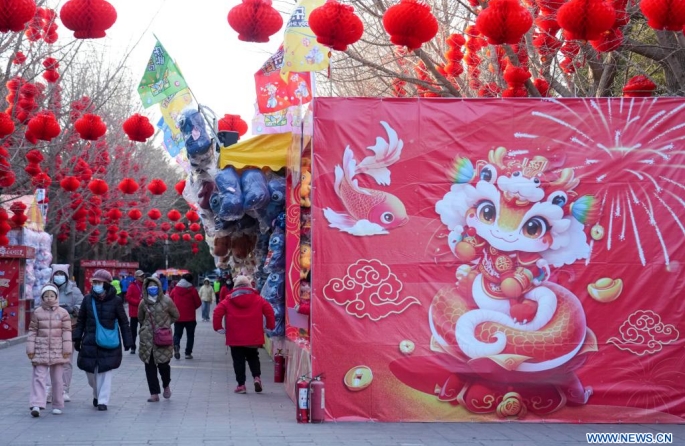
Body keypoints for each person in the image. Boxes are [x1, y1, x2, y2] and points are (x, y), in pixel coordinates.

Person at [73, 269, 133, 411]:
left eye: (99, 282)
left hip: (109, 342)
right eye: (94, 282)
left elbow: (124, 322)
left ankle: (103, 401)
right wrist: (77, 337)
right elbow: (81, 320)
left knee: (105, 371)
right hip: (90, 340)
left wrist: (128, 340)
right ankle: (96, 393)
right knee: (91, 373)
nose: (96, 285)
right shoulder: (87, 300)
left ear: (106, 284)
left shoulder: (116, 301)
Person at [213, 275, 275, 394]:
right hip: (253, 336)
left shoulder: (228, 299)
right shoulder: (258, 299)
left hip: (235, 337)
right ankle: (257, 377)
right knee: (253, 357)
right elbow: (269, 311)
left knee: (238, 360)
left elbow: (217, 312)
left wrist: (218, 327)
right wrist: (270, 326)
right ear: (249, 285)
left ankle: (241, 385)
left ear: (235, 286)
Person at [27, 284, 72, 417]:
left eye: (52, 295)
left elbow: (67, 332)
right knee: (39, 377)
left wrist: (67, 349)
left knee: (57, 379)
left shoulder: (63, 313)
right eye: (46, 296)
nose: (49, 298)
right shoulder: (37, 312)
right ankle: (37, 404)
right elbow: (32, 331)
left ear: (56, 296)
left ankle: (57, 404)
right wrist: (30, 349)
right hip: (40, 349)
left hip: (58, 350)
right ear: (42, 297)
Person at [137, 276, 179, 402]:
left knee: (164, 365)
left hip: (162, 338)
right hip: (147, 339)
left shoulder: (167, 301)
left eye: (154, 286)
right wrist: (146, 328)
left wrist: (165, 326)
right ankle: (154, 393)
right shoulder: (143, 303)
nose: (152, 289)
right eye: (149, 287)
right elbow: (140, 318)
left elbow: (176, 315)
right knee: (149, 366)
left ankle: (166, 384)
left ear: (159, 287)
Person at [46, 264, 83, 403]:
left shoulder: (74, 291)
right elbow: (39, 306)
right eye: (57, 273)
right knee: (50, 360)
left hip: (69, 329)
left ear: (66, 276)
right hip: (50, 330)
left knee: (66, 361)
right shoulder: (47, 289)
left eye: (62, 274)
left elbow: (81, 305)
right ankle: (49, 391)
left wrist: (73, 309)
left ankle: (64, 390)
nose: (59, 276)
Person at [169, 273, 201, 360]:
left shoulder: (175, 289)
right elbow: (198, 303)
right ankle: (188, 353)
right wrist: (191, 308)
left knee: (177, 334)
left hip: (178, 317)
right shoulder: (193, 290)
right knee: (190, 335)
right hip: (190, 318)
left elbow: (170, 300)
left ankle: (176, 345)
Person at [125, 270, 145, 354]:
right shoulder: (132, 286)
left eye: (143, 276)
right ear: (136, 277)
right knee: (133, 330)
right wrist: (138, 302)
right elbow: (128, 297)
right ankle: (133, 346)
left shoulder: (145, 285)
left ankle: (143, 346)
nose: (142, 277)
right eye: (141, 276)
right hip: (134, 312)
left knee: (143, 330)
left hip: (143, 312)